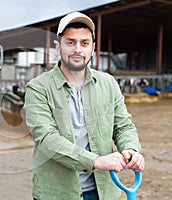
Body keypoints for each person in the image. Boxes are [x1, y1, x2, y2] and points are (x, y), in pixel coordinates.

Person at [23, 12, 145, 200]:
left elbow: (123, 126)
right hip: (57, 193)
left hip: (103, 191)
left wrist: (131, 149)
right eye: (70, 42)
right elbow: (46, 139)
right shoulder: (38, 88)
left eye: (84, 43)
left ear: (93, 48)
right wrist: (96, 161)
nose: (77, 49)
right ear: (58, 47)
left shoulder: (108, 83)